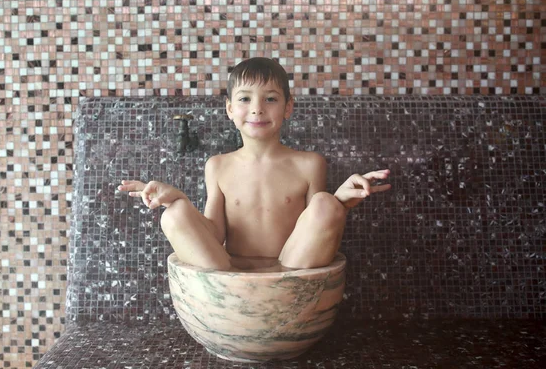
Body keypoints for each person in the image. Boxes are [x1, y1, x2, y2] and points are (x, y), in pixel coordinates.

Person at [118, 57, 391, 272]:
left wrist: (339, 202)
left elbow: (316, 228)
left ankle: (282, 284)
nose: (257, 108)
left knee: (325, 203)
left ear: (288, 107)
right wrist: (177, 199)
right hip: (229, 271)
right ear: (229, 109)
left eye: (270, 99)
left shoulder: (309, 164)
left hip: (291, 268)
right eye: (245, 98)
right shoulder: (218, 166)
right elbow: (214, 233)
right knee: (174, 215)